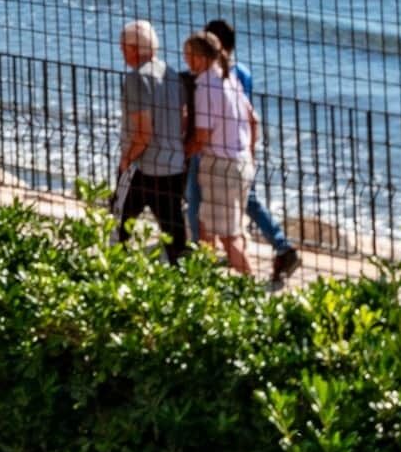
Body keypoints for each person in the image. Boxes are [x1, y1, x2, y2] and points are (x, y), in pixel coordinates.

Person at [205, 18, 304, 284]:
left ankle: (277, 246)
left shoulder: (218, 74)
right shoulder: (243, 72)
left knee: (223, 203)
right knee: (244, 200)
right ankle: (269, 246)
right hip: (240, 145)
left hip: (220, 149)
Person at [111, 20, 190, 258]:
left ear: (134, 49)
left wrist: (126, 160)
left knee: (118, 226)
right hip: (173, 165)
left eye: (123, 47)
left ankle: (114, 270)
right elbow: (183, 119)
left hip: (143, 167)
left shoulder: (136, 79)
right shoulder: (172, 75)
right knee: (173, 231)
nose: (121, 52)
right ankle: (183, 274)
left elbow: (144, 133)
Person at [185, 30, 260, 278]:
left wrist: (183, 152)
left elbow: (203, 136)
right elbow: (254, 120)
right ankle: (204, 278)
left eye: (188, 55)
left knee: (229, 236)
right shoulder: (230, 80)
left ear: (199, 57)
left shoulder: (205, 87)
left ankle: (249, 284)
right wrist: (249, 152)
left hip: (220, 165)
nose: (186, 61)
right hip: (241, 161)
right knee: (207, 224)